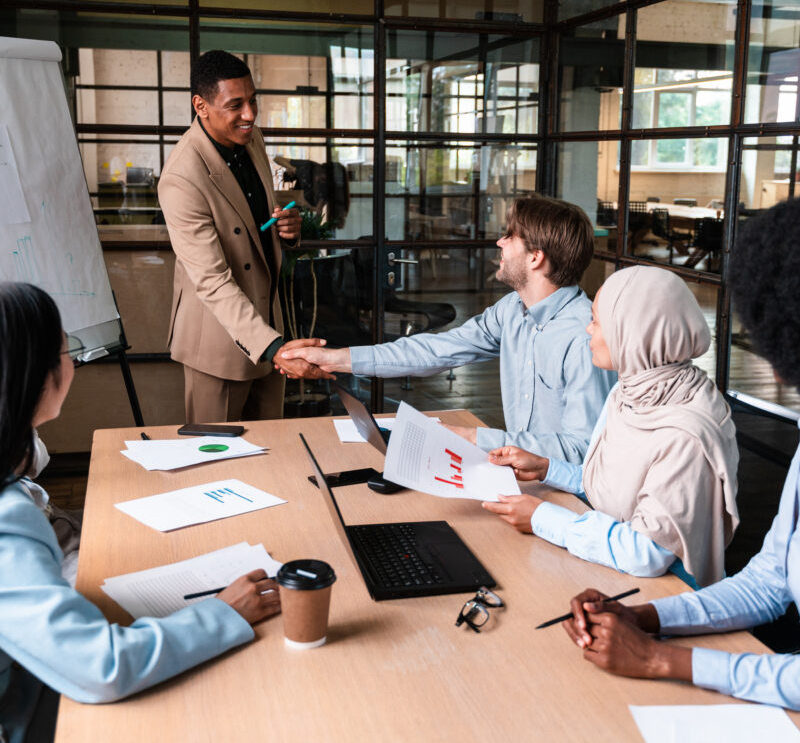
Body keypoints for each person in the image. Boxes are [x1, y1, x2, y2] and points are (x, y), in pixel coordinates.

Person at [0, 282, 281, 743]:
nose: (74, 364)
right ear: (36, 375)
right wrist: (224, 614)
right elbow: (102, 667)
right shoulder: (8, 517)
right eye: (67, 351)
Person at [560, 198, 800, 710]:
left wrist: (660, 660)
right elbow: (767, 582)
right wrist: (645, 619)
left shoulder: (688, 425)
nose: (776, 371)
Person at [282, 195, 616, 462]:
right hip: (522, 477)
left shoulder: (583, 337)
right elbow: (437, 349)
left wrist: (475, 438)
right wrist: (335, 359)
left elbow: (582, 451)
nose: (499, 243)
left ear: (535, 258)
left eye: (510, 236)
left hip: (567, 499)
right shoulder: (513, 310)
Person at [483, 266, 739, 588]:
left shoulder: (687, 433)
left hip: (670, 590)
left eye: (597, 321)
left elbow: (646, 553)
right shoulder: (627, 391)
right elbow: (617, 489)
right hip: (612, 572)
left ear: (632, 332)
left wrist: (542, 518)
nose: (587, 330)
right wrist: (547, 468)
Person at [158, 49, 328, 424]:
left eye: (252, 101)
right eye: (235, 105)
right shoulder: (181, 178)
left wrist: (287, 231)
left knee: (273, 453)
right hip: (219, 344)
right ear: (200, 106)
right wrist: (273, 348)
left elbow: (253, 223)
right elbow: (212, 281)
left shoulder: (252, 138)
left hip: (270, 327)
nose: (250, 114)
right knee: (217, 465)